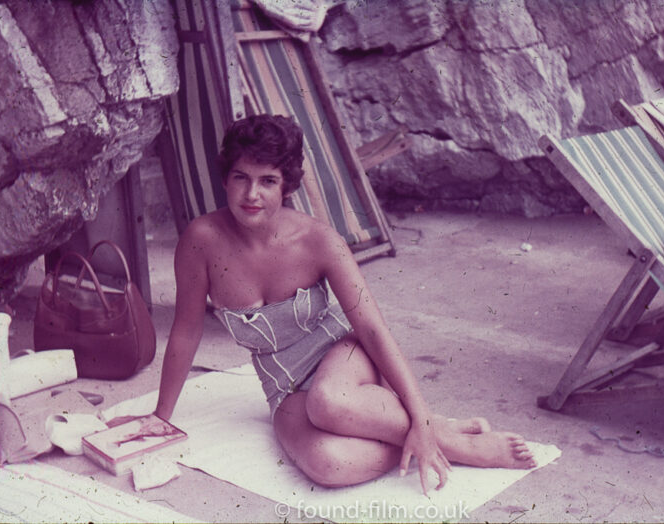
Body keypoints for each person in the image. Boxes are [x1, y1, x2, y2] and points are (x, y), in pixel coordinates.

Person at [154, 114, 536, 494]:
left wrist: (418, 412)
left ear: (286, 185)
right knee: (329, 465)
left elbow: (372, 328)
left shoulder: (319, 240)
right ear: (225, 178)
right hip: (283, 386)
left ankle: (456, 443)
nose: (252, 194)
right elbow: (187, 331)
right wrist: (161, 416)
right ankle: (431, 432)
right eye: (241, 178)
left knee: (328, 402)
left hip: (344, 357)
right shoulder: (201, 240)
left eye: (267, 181)